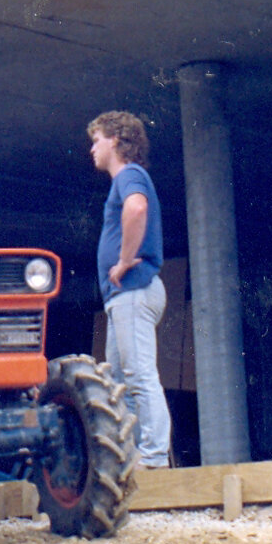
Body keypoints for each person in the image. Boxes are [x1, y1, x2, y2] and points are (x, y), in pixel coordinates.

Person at [88, 109, 171, 469]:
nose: (92, 149)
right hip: (125, 298)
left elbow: (137, 209)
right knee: (119, 381)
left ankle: (152, 457)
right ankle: (135, 455)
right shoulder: (125, 179)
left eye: (96, 141)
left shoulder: (129, 175)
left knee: (137, 375)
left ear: (116, 141)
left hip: (134, 291)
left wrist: (122, 261)